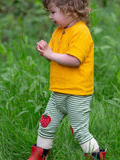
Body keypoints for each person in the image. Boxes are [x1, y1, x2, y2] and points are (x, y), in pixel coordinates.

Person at [28, 0, 107, 159]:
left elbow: (74, 60)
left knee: (80, 131)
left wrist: (51, 54)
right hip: (58, 92)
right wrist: (46, 52)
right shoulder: (58, 31)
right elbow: (55, 57)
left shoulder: (81, 32)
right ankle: (38, 156)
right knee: (46, 125)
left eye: (53, 12)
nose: (50, 17)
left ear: (69, 10)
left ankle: (96, 156)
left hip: (77, 94)